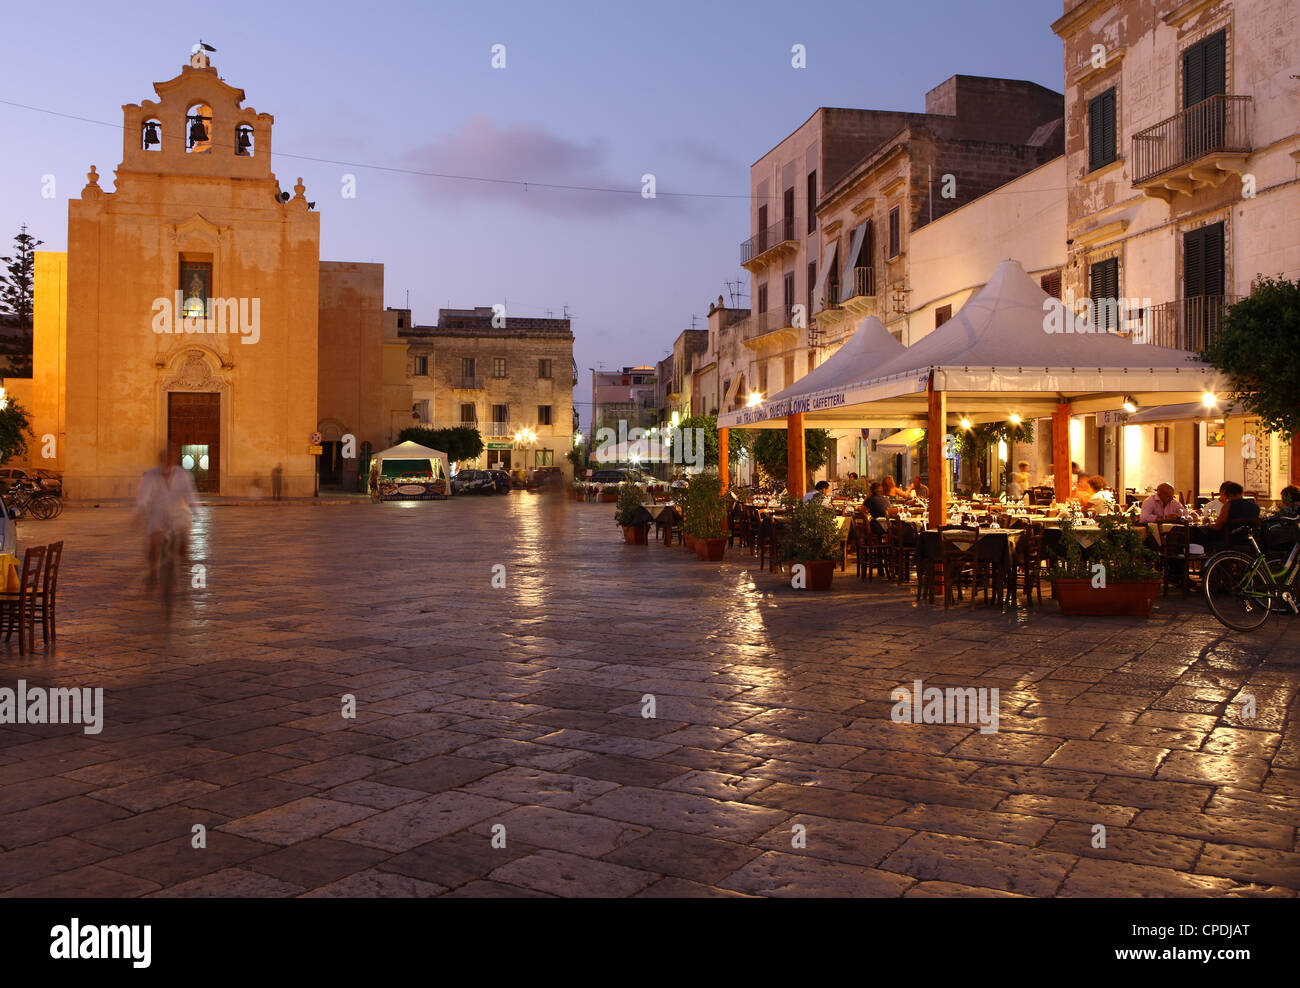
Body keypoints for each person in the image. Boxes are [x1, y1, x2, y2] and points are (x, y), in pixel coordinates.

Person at [136, 449, 199, 586]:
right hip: (158, 513)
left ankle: (183, 568)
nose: (168, 461)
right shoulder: (151, 475)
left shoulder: (183, 474)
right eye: (165, 458)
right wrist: (140, 510)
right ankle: (153, 573)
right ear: (160, 460)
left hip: (179, 513)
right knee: (154, 544)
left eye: (170, 458)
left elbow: (189, 493)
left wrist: (195, 509)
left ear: (174, 460)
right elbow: (144, 495)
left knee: (184, 544)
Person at [1204, 481, 1259, 551]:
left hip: (1230, 541)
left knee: (1205, 540)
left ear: (1229, 494)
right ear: (1241, 493)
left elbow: (1218, 526)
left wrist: (1207, 524)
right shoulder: (1255, 506)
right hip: (1250, 541)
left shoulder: (1228, 505)